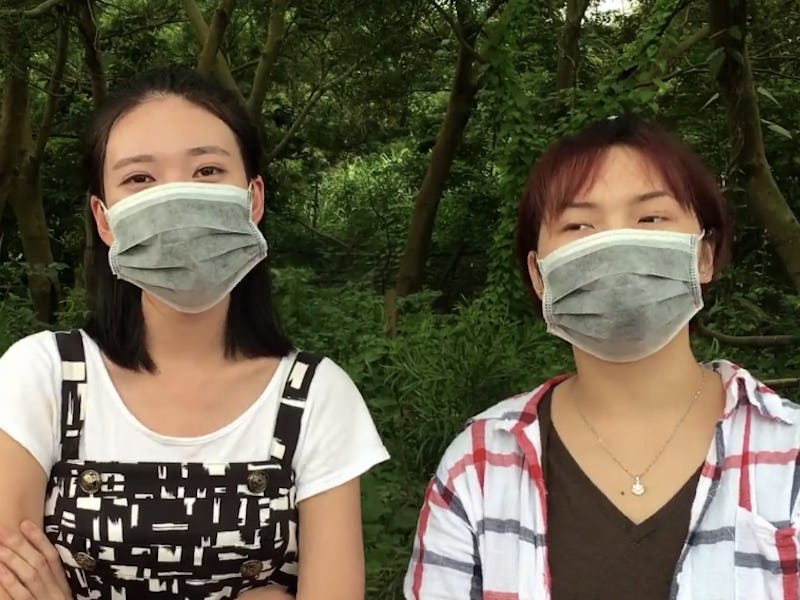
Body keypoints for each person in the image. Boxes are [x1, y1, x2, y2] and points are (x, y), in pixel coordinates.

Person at [0, 67, 389, 600]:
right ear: (105, 219)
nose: (177, 198)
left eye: (207, 170)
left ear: (253, 199)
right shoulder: (41, 377)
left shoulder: (316, 396)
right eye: (140, 179)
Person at [404, 115, 800, 599]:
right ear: (539, 275)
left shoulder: (791, 454)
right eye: (578, 225)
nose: (613, 243)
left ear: (704, 255)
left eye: (651, 218)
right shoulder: (479, 466)